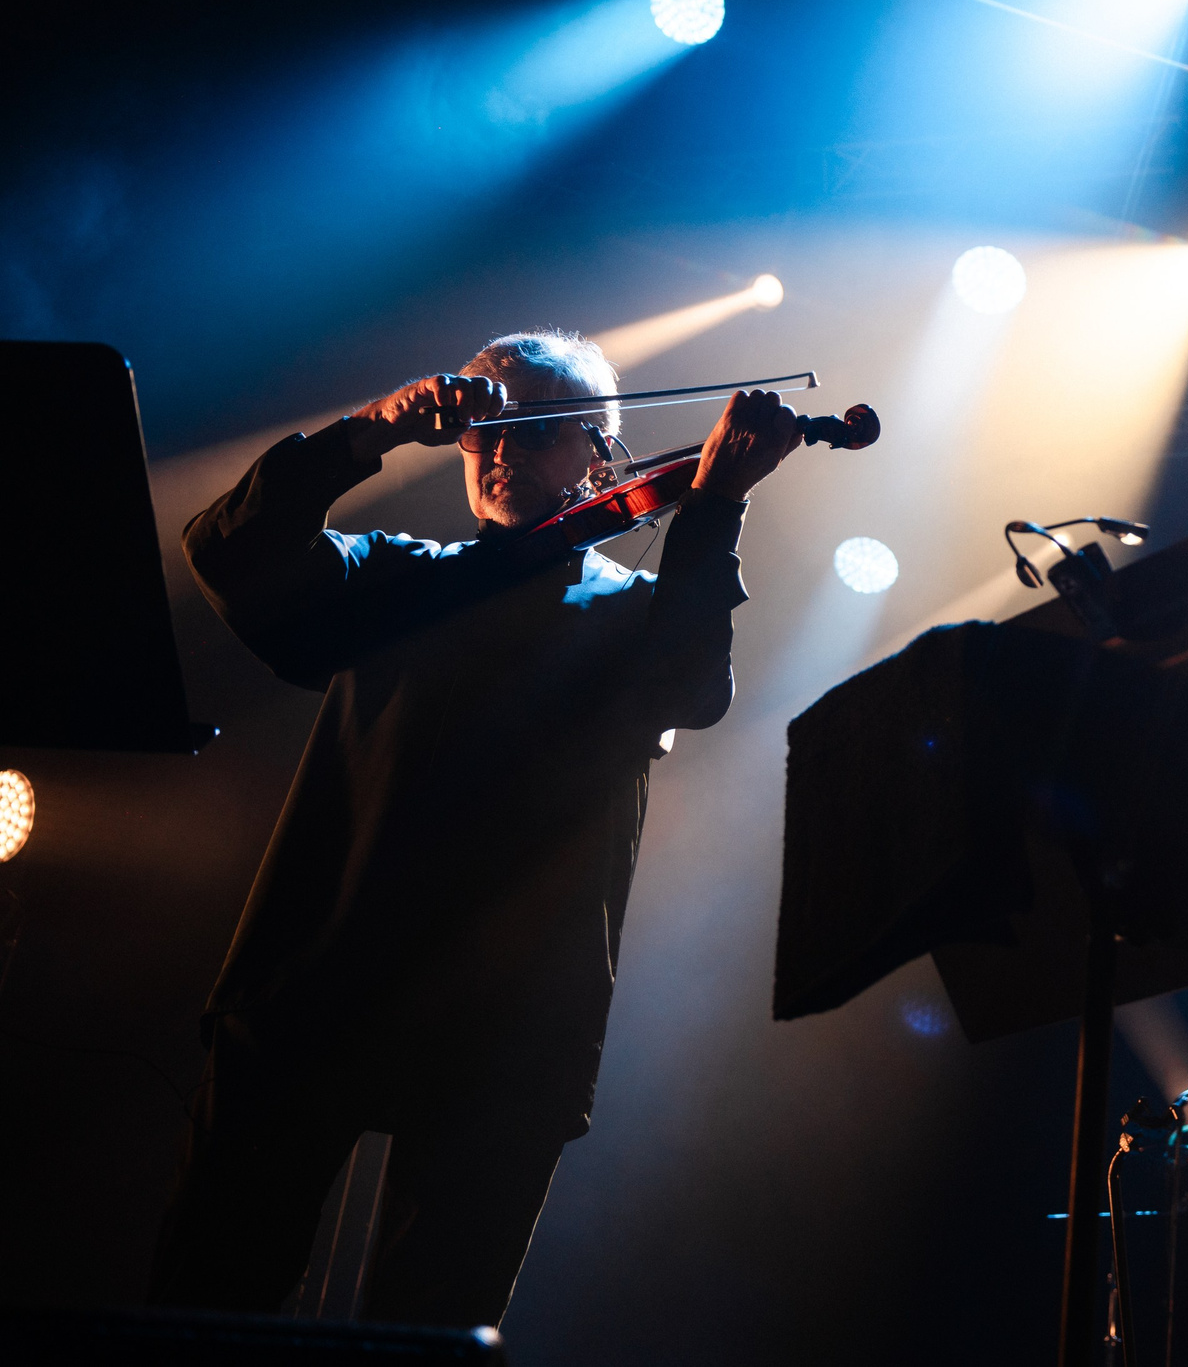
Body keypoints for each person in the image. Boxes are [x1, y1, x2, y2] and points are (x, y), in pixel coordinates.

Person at [151, 332, 810, 1327]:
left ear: (597, 453)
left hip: (507, 1032)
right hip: (315, 992)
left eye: (531, 433)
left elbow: (691, 689)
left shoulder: (637, 611)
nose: (495, 453)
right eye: (479, 433)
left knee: (433, 1330)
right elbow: (227, 551)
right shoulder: (400, 576)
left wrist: (716, 503)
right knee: (200, 1312)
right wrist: (370, 430)